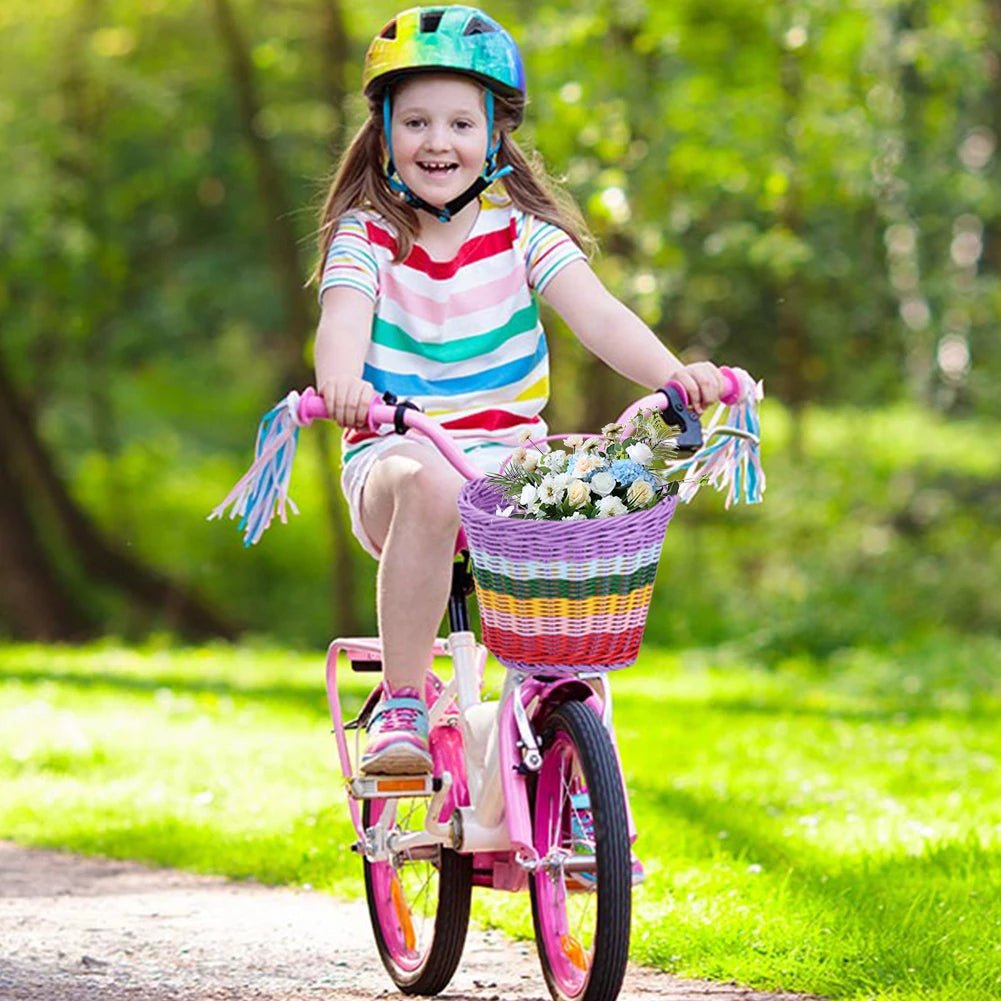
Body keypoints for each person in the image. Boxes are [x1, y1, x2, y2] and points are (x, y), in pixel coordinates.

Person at [313, 5, 726, 775]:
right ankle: (403, 702)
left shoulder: (523, 235)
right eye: (418, 122)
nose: (439, 141)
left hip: (506, 470)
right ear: (384, 134)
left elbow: (600, 316)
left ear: (494, 136)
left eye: (461, 123)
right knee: (430, 483)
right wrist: (337, 381)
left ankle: (574, 760)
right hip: (398, 461)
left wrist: (675, 374)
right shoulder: (366, 236)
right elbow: (343, 314)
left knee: (591, 514)